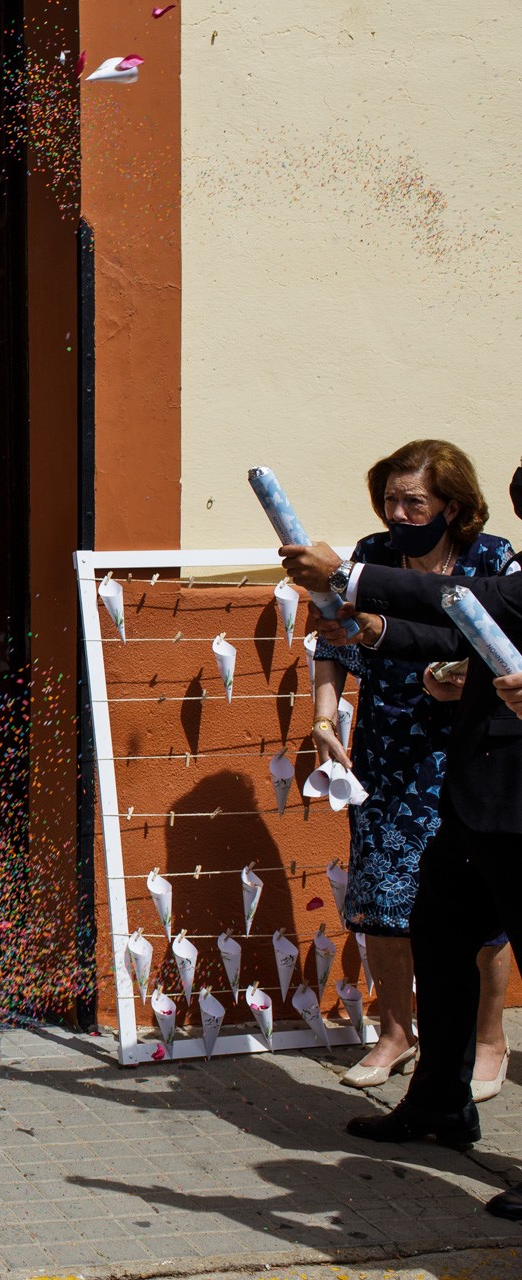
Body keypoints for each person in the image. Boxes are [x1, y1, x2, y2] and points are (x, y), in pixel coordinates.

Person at [282, 467, 522, 1224]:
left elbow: (476, 602)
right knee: (440, 934)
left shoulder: (498, 566)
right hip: (476, 798)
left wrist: (350, 578)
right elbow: (471, 629)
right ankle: (440, 1102)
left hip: (515, 801)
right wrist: (389, 637)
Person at [305, 440, 513, 1093]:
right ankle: (396, 1033)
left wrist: (457, 675)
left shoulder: (492, 559)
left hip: (467, 747)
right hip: (387, 746)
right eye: (390, 499)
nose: (398, 511)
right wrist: (323, 717)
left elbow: (479, 633)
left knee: (481, 907)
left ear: (451, 505)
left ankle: (488, 1039)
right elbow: (331, 637)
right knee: (382, 896)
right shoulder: (371, 552)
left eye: (413, 501)